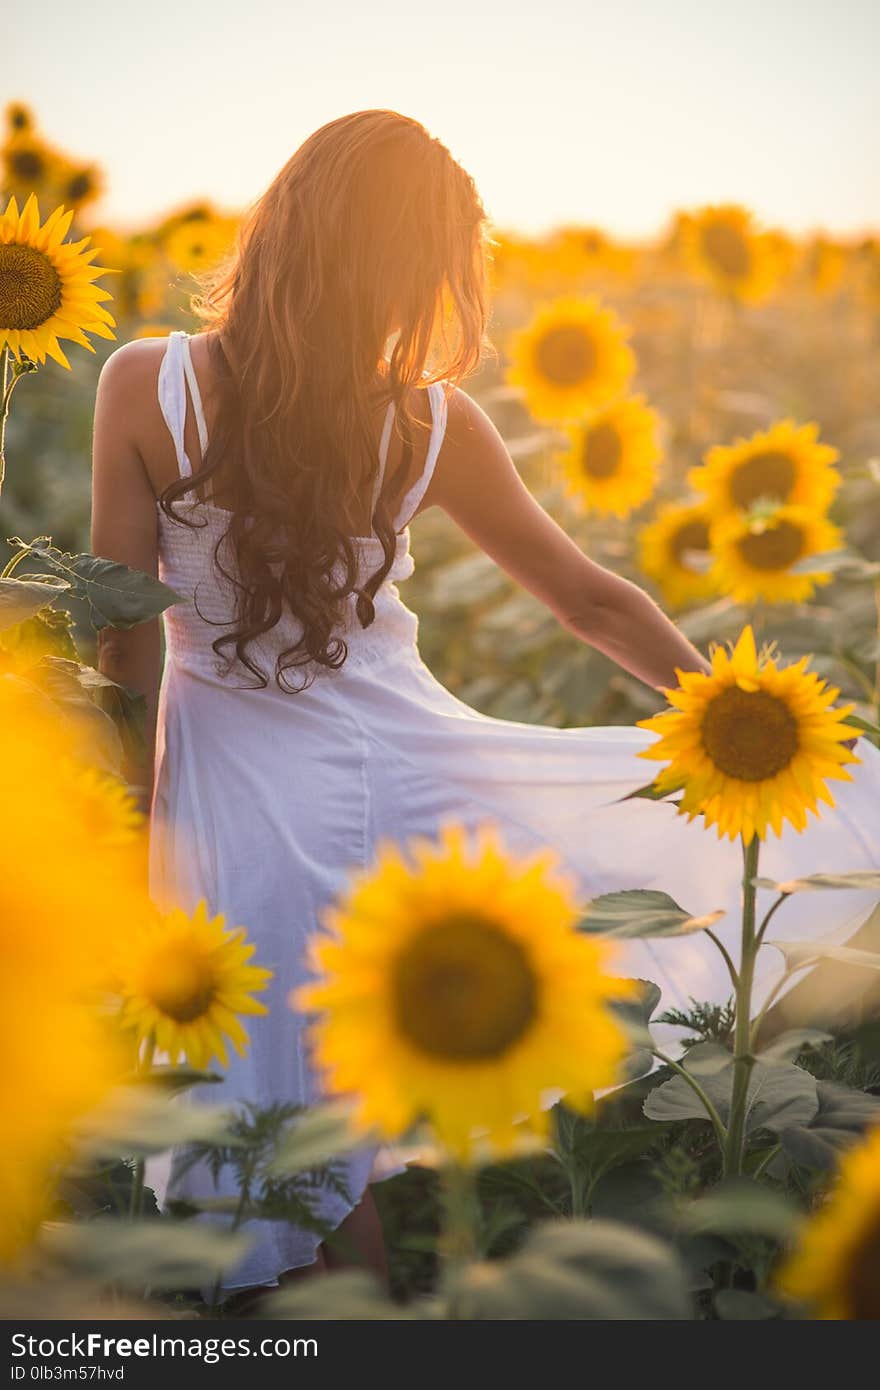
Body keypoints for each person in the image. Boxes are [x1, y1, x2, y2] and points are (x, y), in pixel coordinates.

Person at [90, 109, 880, 1309]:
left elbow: (128, 621)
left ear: (285, 227)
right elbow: (584, 597)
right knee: (338, 1090)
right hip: (409, 768)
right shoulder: (426, 419)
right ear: (419, 268)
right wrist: (734, 718)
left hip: (241, 785)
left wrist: (137, 809)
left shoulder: (144, 385)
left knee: (269, 1105)